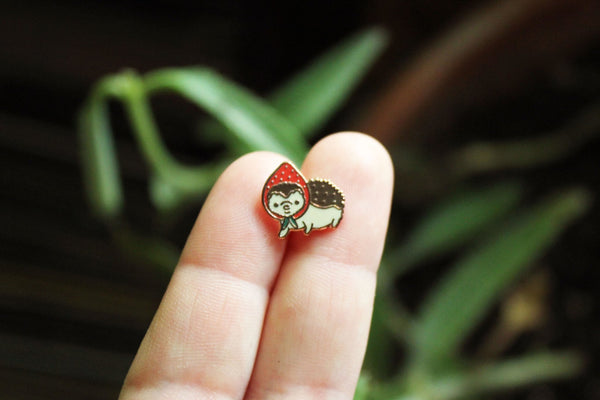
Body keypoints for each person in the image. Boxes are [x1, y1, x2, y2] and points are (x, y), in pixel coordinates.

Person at [119, 132, 394, 399]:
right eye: (280, 203)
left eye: (291, 203)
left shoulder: (312, 214)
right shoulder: (283, 216)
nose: (286, 207)